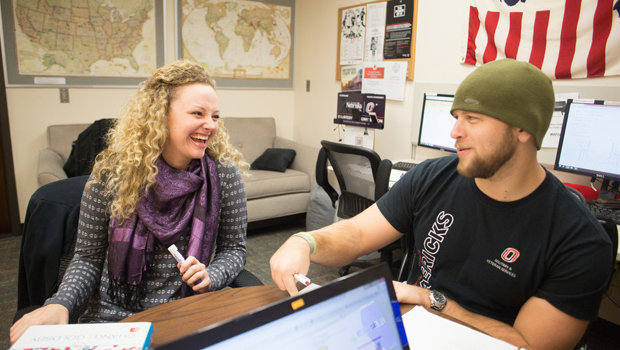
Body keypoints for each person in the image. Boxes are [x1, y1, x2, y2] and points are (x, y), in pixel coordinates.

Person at [270, 59, 612, 350]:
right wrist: (306, 241)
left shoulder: (578, 239)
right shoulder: (433, 175)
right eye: (456, 116)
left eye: (473, 119)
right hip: (407, 331)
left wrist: (429, 300)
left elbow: (526, 343)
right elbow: (358, 234)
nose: (454, 132)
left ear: (524, 129)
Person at [11, 60, 249, 344]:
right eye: (198, 113)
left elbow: (234, 248)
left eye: (215, 116)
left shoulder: (222, 173)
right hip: (115, 315)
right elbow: (87, 258)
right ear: (160, 116)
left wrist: (211, 274)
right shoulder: (113, 175)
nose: (210, 125)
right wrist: (60, 303)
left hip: (186, 310)